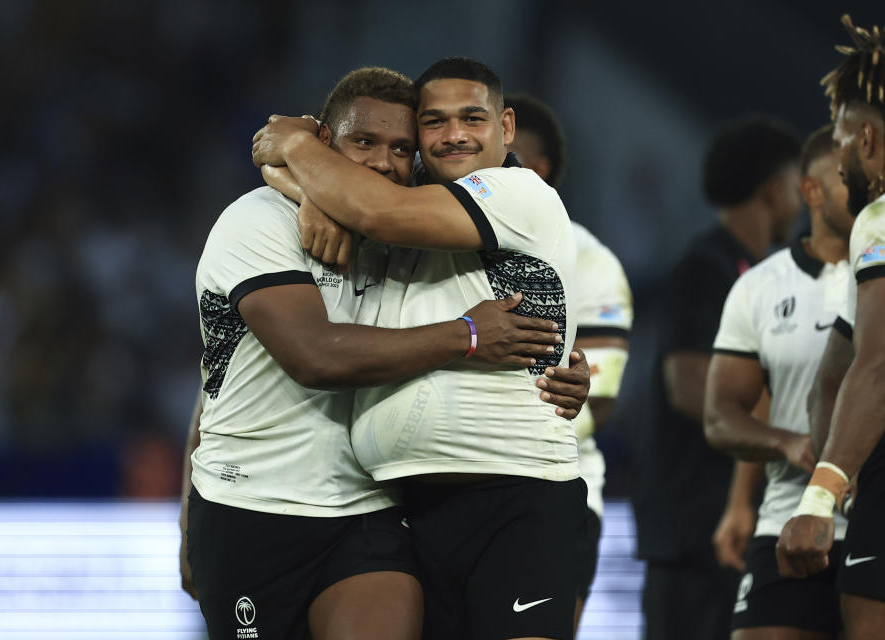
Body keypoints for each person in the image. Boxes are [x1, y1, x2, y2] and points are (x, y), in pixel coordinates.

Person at [185, 66, 578, 640]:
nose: (381, 162)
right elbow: (311, 357)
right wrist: (464, 335)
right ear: (325, 141)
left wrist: (564, 355)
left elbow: (381, 212)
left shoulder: (405, 224)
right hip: (252, 503)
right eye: (362, 142)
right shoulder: (255, 223)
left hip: (371, 510)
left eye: (399, 148)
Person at [632, 116, 802, 640]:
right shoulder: (706, 267)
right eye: (797, 185)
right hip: (693, 533)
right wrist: (786, 415)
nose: (803, 200)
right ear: (774, 189)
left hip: (724, 529)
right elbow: (688, 386)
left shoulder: (751, 270)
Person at [704, 124, 852, 639]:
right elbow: (726, 414)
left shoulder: (876, 273)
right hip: (787, 518)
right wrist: (782, 448)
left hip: (871, 518)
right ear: (810, 191)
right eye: (845, 176)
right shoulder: (759, 287)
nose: (865, 184)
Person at [506, 93, 634, 635]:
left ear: (539, 170)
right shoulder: (442, 248)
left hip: (557, 489)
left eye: (507, 157)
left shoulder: (592, 262)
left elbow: (595, 404)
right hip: (455, 491)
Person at [776, 15, 885, 640]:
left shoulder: (877, 215)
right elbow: (836, 370)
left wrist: (820, 497)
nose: (840, 156)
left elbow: (875, 365)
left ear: (867, 137)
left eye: (842, 136)